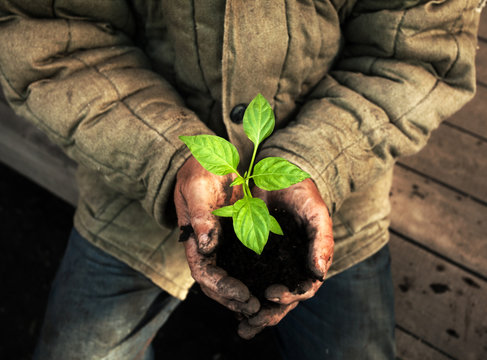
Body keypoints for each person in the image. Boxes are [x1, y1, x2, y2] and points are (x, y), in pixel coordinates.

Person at [0, 1, 481, 359]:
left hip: (339, 186)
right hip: (134, 175)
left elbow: (421, 50)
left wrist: (315, 160)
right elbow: (47, 37)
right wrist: (167, 156)